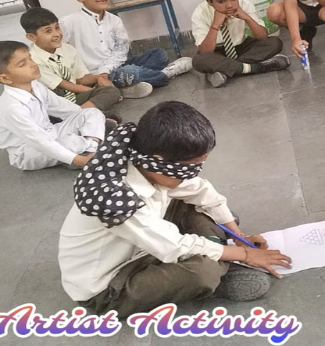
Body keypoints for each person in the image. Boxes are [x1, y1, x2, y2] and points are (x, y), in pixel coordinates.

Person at [58, 101, 292, 316]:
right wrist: (246, 254)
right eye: (188, 169)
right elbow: (175, 246)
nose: (192, 174)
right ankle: (213, 275)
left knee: (196, 206)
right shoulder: (118, 202)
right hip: (110, 287)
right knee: (203, 274)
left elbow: (201, 191)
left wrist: (239, 237)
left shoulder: (141, 159)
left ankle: (218, 251)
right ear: (159, 160)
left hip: (143, 245)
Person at [60, 0, 193, 98]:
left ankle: (119, 88)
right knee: (130, 71)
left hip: (113, 70)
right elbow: (58, 55)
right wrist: (93, 77)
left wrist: (105, 72)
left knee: (159, 54)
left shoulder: (114, 20)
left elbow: (121, 51)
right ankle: (165, 74)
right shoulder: (67, 22)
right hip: (89, 77)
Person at [0, 41, 105, 171]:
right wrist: (80, 161)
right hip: (29, 151)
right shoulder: (12, 108)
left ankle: (90, 149)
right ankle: (86, 152)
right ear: (5, 79)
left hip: (51, 132)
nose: (33, 64)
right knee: (71, 142)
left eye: (30, 58)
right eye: (22, 64)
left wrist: (92, 120)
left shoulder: (36, 85)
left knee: (92, 113)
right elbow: (41, 142)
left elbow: (65, 108)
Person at [20, 7, 127, 126]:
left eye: (57, 27)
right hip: (54, 102)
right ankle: (80, 118)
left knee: (109, 90)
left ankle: (81, 117)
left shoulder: (68, 49)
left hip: (74, 97)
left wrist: (99, 78)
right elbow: (64, 85)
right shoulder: (33, 60)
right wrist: (93, 91)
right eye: (48, 31)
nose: (57, 34)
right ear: (31, 37)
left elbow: (80, 78)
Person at [192, 0, 291, 88]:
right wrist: (215, 25)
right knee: (199, 60)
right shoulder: (200, 13)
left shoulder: (244, 4)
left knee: (275, 43)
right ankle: (255, 68)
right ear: (209, 1)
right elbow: (205, 51)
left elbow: (263, 36)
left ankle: (225, 71)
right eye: (221, 1)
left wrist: (247, 18)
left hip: (242, 47)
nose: (229, 5)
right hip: (216, 52)